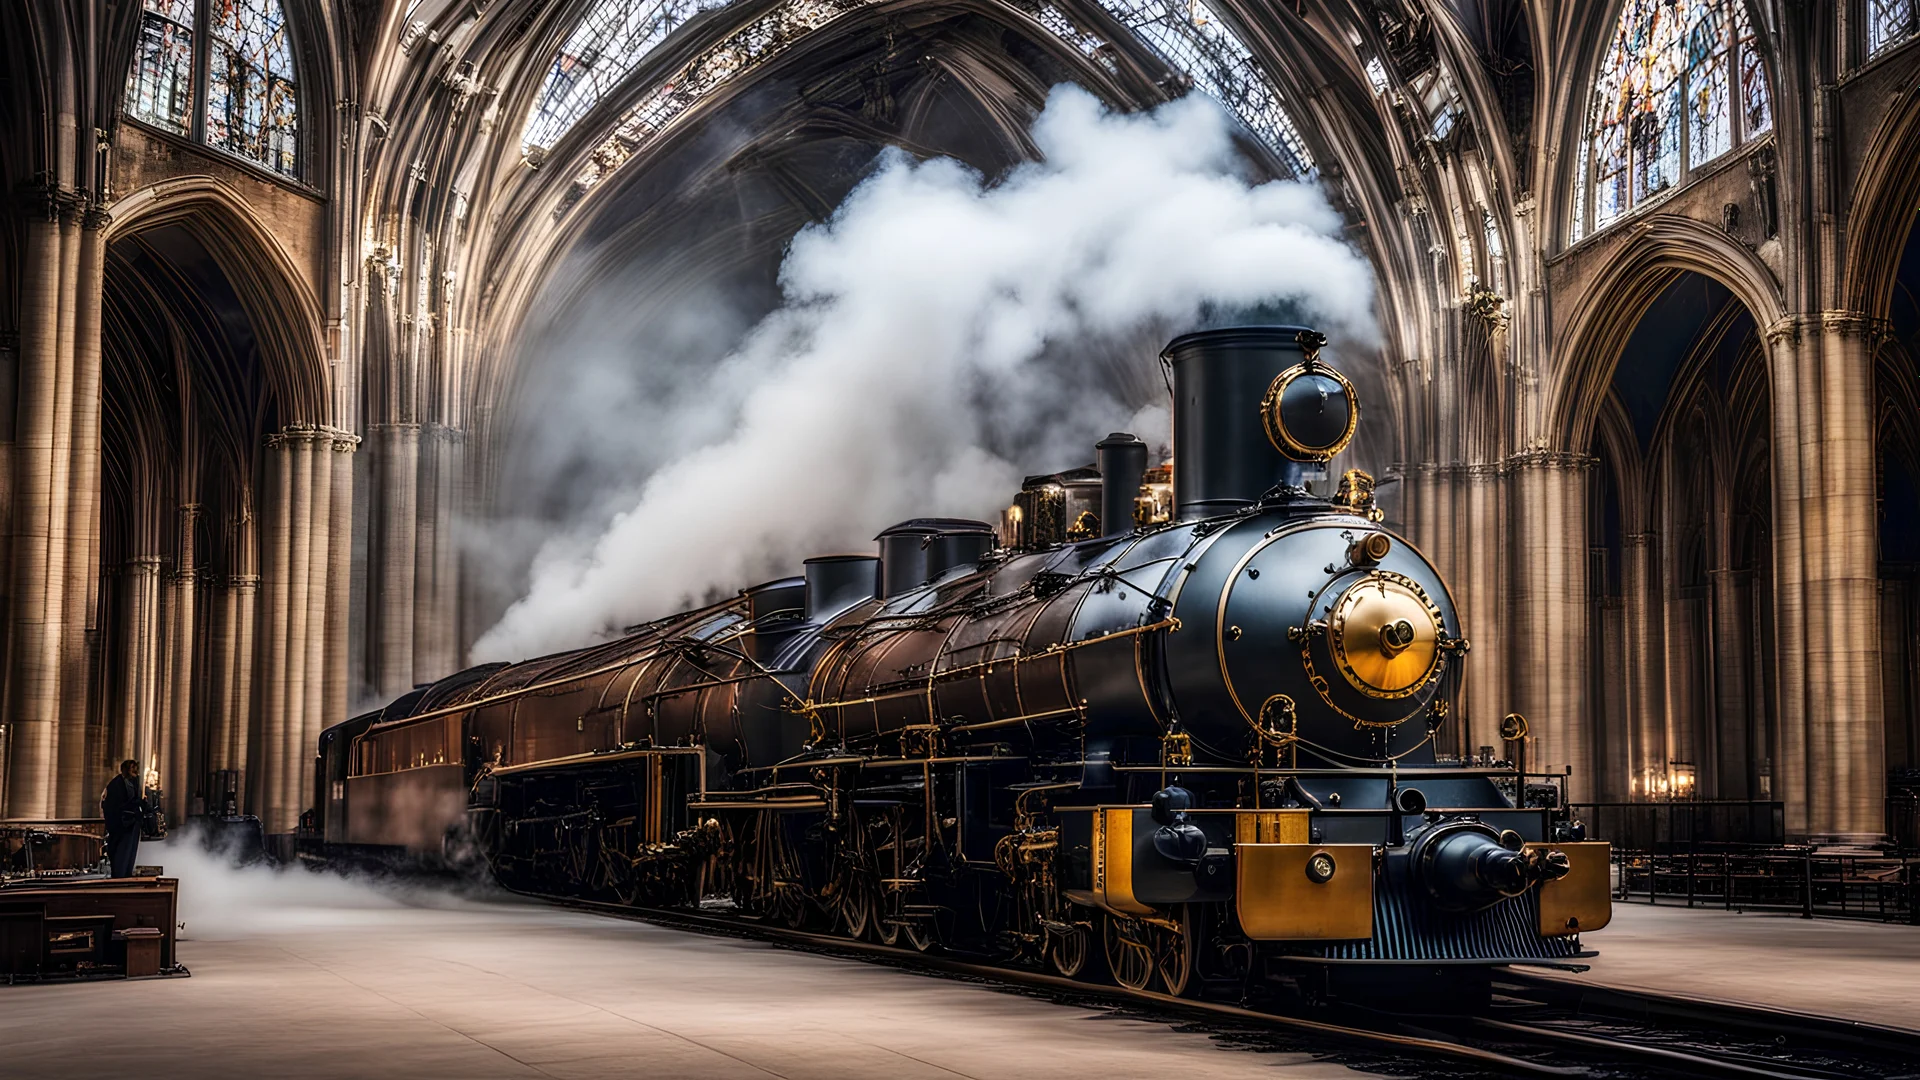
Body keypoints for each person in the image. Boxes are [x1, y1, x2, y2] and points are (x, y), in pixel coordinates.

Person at [101, 760, 146, 878]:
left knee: (129, 853)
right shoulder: (116, 784)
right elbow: (113, 806)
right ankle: (119, 877)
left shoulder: (134, 782)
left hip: (132, 822)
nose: (135, 771)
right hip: (121, 824)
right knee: (120, 853)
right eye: (132, 769)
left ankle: (126, 874)